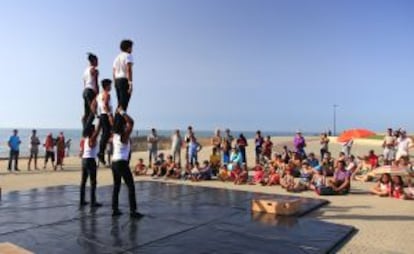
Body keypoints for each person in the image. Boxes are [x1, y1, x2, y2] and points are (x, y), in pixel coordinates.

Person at [111, 111, 143, 218]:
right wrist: (122, 112)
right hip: (121, 163)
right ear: (123, 125)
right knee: (130, 186)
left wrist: (113, 114)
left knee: (117, 186)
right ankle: (133, 211)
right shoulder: (123, 136)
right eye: (125, 124)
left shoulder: (115, 135)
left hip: (114, 162)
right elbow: (132, 122)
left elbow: (113, 121)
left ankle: (115, 209)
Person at [80, 123, 102, 207]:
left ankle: (82, 201)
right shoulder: (92, 138)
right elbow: (97, 131)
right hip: (90, 161)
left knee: (83, 181)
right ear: (92, 131)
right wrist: (101, 120)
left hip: (84, 160)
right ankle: (93, 202)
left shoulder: (85, 138)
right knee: (93, 182)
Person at [113, 39, 134, 111]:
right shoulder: (128, 55)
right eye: (131, 47)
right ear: (128, 48)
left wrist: (115, 83)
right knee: (123, 104)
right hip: (124, 80)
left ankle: (117, 120)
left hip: (117, 80)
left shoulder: (116, 58)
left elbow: (114, 71)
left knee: (119, 104)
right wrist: (130, 83)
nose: (132, 49)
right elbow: (129, 69)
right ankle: (119, 121)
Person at [97, 79, 114, 165]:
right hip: (106, 115)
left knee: (105, 134)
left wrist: (97, 114)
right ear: (106, 86)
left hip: (102, 115)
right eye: (110, 85)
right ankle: (101, 153)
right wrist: (110, 115)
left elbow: (94, 105)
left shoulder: (99, 95)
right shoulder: (107, 94)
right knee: (107, 134)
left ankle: (101, 153)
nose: (111, 87)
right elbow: (105, 105)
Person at [82, 53, 99, 128]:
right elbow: (95, 82)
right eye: (97, 60)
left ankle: (86, 128)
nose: (98, 62)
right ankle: (86, 130)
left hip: (85, 91)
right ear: (94, 61)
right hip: (91, 91)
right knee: (93, 112)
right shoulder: (94, 70)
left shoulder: (85, 70)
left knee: (87, 113)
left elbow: (85, 83)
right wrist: (97, 94)